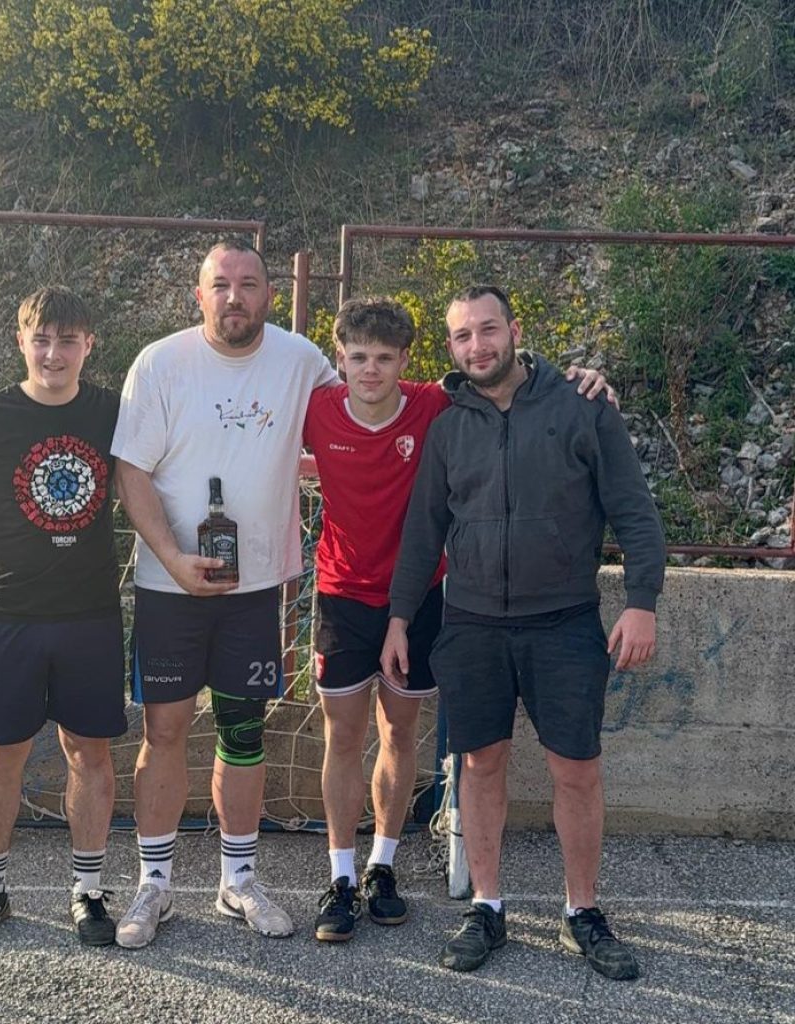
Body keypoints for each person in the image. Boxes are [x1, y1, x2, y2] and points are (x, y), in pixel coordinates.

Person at [303, 297, 613, 942]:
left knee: (400, 733)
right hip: (341, 593)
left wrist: (583, 380)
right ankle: (341, 876)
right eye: (358, 357)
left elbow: (508, 382)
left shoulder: (435, 404)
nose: (370, 369)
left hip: (423, 597)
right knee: (343, 736)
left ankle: (383, 867)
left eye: (383, 358)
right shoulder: (315, 409)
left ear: (406, 361)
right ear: (340, 359)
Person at [382, 285, 666, 980]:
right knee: (479, 765)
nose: (477, 346)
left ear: (514, 330)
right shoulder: (448, 426)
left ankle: (582, 911)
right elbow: (423, 532)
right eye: (462, 336)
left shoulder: (582, 406)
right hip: (472, 623)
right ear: (451, 347)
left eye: (488, 330)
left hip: (564, 622)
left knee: (577, 769)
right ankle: (487, 907)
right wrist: (398, 617)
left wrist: (642, 601)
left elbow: (633, 509)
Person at [110, 239, 337, 948]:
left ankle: (238, 880)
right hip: (170, 587)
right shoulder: (160, 363)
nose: (234, 296)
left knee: (243, 733)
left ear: (270, 294)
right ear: (198, 295)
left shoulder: (301, 360)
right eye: (220, 284)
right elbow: (129, 472)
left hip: (254, 588)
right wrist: (174, 559)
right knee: (164, 732)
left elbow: (372, 401)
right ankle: (154, 884)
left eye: (248, 284)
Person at [0, 286, 126, 948]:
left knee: (89, 752)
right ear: (21, 342)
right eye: (41, 339)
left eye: (67, 340)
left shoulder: (111, 412)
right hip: (7, 612)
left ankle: (88, 891)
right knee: (1, 753)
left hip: (90, 613)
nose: (53, 353)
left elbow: (147, 493)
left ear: (88, 345)